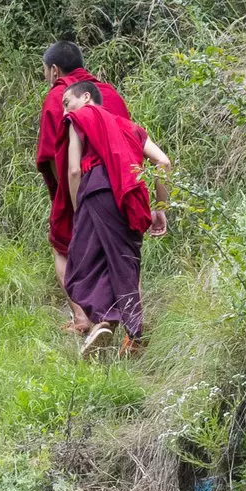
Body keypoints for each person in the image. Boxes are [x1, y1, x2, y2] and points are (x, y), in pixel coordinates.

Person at [61, 79, 169, 357]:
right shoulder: (131, 128)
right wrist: (160, 207)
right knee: (123, 265)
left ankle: (106, 322)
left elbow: (74, 170)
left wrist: (78, 208)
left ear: (85, 98)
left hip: (97, 190)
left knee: (81, 264)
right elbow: (163, 162)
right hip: (133, 197)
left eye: (66, 103)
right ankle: (128, 335)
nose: (64, 112)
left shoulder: (79, 117)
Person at [35, 41, 132, 329]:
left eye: (44, 71)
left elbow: (51, 154)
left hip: (80, 183)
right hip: (119, 182)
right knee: (118, 250)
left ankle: (82, 318)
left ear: (54, 70)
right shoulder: (109, 93)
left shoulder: (58, 96)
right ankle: (128, 322)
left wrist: (63, 196)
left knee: (62, 246)